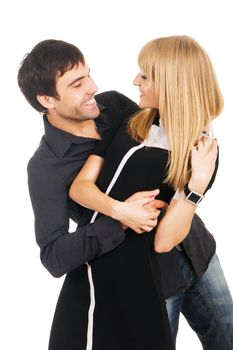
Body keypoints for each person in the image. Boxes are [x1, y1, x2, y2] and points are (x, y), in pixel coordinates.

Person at [17, 37, 233, 350]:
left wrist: (202, 178)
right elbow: (54, 257)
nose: (92, 87)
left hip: (195, 250)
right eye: (78, 84)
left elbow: (173, 140)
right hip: (150, 277)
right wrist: (119, 216)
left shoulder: (115, 106)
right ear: (48, 100)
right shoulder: (46, 166)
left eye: (89, 74)